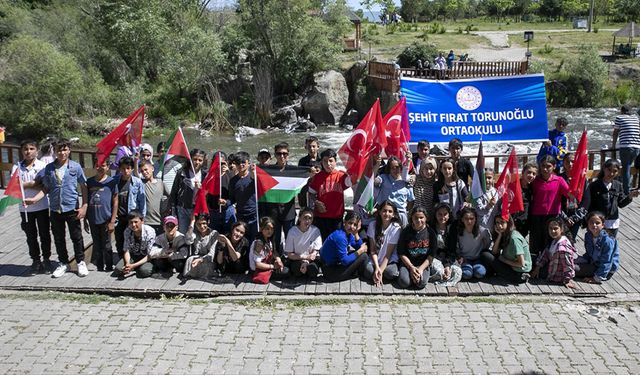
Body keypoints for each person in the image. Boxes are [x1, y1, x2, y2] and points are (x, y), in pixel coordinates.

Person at [29, 139, 89, 278]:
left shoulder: (75, 167)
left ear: (69, 150)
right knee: (58, 237)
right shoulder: (49, 168)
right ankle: (63, 262)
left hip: (72, 208)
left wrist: (84, 206)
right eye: (59, 150)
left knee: (76, 237)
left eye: (65, 149)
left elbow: (84, 187)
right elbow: (46, 188)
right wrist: (34, 199)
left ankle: (80, 262)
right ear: (55, 152)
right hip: (55, 208)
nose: (62, 152)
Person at [12, 139, 52, 274]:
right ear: (21, 151)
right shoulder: (17, 167)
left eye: (31, 149)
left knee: (45, 234)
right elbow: (14, 186)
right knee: (31, 235)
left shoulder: (43, 166)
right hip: (25, 208)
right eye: (25, 149)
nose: (28, 152)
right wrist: (33, 183)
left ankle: (47, 259)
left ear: (37, 150)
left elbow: (46, 185)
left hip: (41, 206)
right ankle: (35, 260)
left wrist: (26, 183)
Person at [580, 159, 639, 238]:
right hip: (597, 222)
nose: (611, 173)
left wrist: (630, 196)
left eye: (615, 171)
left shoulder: (618, 185)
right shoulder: (594, 185)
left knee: (610, 245)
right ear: (604, 168)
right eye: (609, 170)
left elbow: (621, 203)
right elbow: (588, 204)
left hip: (612, 222)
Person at [529, 155, 569, 259]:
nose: (545, 169)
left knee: (551, 242)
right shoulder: (535, 181)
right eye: (543, 166)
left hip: (553, 216)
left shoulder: (559, 180)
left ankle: (549, 266)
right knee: (536, 242)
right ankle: (534, 265)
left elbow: (569, 194)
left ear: (554, 166)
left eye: (548, 166)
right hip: (536, 216)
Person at [308, 148, 352, 240]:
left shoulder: (341, 176)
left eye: (331, 161)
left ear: (335, 162)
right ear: (321, 162)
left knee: (336, 242)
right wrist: (316, 202)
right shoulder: (317, 177)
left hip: (337, 218)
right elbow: (311, 193)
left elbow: (353, 181)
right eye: (325, 161)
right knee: (322, 243)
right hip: (320, 217)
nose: (328, 164)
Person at [397, 206, 444, 289]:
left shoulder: (431, 233)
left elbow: (431, 255)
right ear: (411, 218)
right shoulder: (406, 231)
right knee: (404, 282)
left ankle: (415, 277)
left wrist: (420, 269)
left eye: (421, 217)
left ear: (426, 218)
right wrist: (411, 267)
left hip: (423, 264)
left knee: (421, 283)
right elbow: (401, 253)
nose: (419, 220)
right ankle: (410, 276)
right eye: (416, 217)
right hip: (408, 263)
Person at [262, 142, 297, 253]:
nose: (282, 156)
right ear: (275, 155)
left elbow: (304, 182)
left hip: (289, 211)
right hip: (273, 211)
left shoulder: (294, 171)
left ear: (288, 155)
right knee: (274, 238)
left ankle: (290, 259)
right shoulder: (268, 170)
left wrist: (310, 174)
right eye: (279, 154)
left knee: (290, 238)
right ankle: (276, 258)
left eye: (284, 154)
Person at [86, 157, 118, 272]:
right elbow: (86, 200)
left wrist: (112, 221)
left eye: (103, 165)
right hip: (93, 218)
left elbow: (115, 201)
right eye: (98, 165)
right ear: (95, 166)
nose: (100, 168)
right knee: (96, 244)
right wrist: (85, 218)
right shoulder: (89, 182)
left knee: (107, 245)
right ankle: (99, 267)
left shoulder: (111, 182)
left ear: (108, 167)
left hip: (106, 218)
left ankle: (109, 267)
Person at [320, 211, 369, 282]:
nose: (352, 226)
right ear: (344, 222)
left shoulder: (348, 234)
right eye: (350, 223)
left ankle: (358, 273)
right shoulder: (340, 237)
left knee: (360, 253)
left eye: (355, 225)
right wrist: (361, 250)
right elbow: (345, 261)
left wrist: (356, 233)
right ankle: (362, 274)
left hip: (335, 265)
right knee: (363, 256)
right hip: (330, 272)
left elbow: (359, 246)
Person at [114, 156, 146, 260]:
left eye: (128, 168)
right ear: (119, 169)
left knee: (132, 238)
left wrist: (142, 217)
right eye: (123, 168)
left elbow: (142, 200)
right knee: (119, 237)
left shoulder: (137, 182)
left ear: (132, 169)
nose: (126, 171)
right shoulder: (115, 181)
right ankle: (120, 258)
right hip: (119, 215)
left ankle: (132, 257)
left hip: (131, 216)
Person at [531, 217, 577, 289]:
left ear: (561, 229)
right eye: (550, 228)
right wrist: (537, 267)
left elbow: (567, 265)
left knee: (529, 266)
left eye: (555, 228)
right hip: (551, 265)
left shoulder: (563, 247)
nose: (552, 231)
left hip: (555, 274)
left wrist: (567, 280)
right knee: (531, 258)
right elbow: (545, 254)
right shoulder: (554, 240)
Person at [363, 201, 402, 287]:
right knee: (368, 272)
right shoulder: (372, 225)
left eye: (390, 211)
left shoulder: (396, 228)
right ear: (379, 212)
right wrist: (377, 267)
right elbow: (373, 250)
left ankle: (379, 274)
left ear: (394, 214)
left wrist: (380, 270)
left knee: (390, 273)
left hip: (389, 260)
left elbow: (388, 254)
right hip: (375, 259)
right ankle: (378, 274)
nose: (386, 214)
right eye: (384, 211)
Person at [575, 211, 619, 284]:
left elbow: (607, 262)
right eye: (591, 222)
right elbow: (589, 254)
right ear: (588, 224)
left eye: (597, 223)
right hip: (593, 262)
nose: (594, 225)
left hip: (604, 270)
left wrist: (596, 278)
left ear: (603, 225)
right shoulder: (588, 235)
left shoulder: (607, 241)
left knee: (572, 269)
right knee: (570, 261)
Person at [171, 148, 207, 234]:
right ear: (190, 159)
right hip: (183, 208)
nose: (197, 162)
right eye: (195, 159)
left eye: (200, 160)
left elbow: (208, 193)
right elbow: (174, 191)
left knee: (196, 233)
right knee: (182, 233)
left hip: (198, 209)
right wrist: (173, 209)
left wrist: (201, 189)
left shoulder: (205, 174)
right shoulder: (182, 172)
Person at [113, 210, 156, 279]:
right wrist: (127, 264)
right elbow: (126, 250)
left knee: (144, 271)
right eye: (131, 222)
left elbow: (149, 255)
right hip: (133, 256)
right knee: (118, 270)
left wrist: (133, 266)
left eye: (136, 222)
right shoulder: (127, 231)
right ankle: (133, 268)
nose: (133, 225)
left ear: (142, 221)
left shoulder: (150, 231)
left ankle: (137, 268)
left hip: (146, 258)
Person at [491, 215, 532, 284]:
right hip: (511, 265)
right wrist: (499, 235)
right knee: (487, 253)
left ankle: (520, 277)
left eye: (502, 222)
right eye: (497, 223)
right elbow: (494, 252)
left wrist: (503, 260)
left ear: (508, 223)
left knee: (486, 255)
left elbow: (521, 264)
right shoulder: (505, 234)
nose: (499, 226)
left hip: (519, 271)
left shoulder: (514, 238)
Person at [375, 156, 415, 227]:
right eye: (392, 168)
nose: (395, 170)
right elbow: (374, 182)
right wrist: (377, 165)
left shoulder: (406, 181)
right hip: (385, 215)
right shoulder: (383, 178)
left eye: (397, 167)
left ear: (400, 167)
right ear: (389, 169)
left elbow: (411, 200)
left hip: (400, 215)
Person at [455, 207, 493, 280]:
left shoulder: (482, 231)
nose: (469, 221)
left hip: (478, 259)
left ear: (475, 219)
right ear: (462, 219)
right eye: (466, 218)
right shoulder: (459, 231)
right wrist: (459, 256)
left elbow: (489, 243)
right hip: (465, 259)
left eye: (472, 218)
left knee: (479, 273)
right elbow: (457, 246)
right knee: (466, 274)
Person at [228, 151, 258, 241]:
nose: (241, 165)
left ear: (248, 163)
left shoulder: (254, 177)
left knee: (254, 240)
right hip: (241, 216)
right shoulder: (233, 181)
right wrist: (225, 202)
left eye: (243, 162)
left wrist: (254, 174)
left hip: (254, 215)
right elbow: (232, 199)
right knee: (243, 240)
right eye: (238, 163)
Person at [249, 217, 289, 284]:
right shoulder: (259, 243)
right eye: (267, 229)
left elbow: (273, 252)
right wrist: (273, 267)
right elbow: (257, 264)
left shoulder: (268, 240)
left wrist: (278, 259)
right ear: (261, 229)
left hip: (267, 264)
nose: (270, 231)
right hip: (258, 270)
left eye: (272, 229)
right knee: (286, 271)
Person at [284, 207, 322, 278]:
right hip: (297, 259)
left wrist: (306, 262)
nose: (307, 221)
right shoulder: (292, 231)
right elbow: (289, 254)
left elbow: (315, 251)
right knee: (297, 270)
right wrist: (303, 259)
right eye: (305, 218)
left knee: (312, 271)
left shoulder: (315, 231)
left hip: (311, 260)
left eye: (310, 218)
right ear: (300, 218)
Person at [431, 203, 462, 286]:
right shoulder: (431, 227)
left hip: (449, 257)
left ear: (449, 215)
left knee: (457, 272)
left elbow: (452, 249)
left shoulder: (452, 227)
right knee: (440, 271)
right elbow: (431, 249)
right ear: (435, 214)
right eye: (439, 214)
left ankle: (446, 280)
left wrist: (447, 265)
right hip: (435, 257)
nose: (442, 217)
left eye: (445, 214)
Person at [612, 105, 640, 194]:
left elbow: (615, 132)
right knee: (637, 167)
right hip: (637, 147)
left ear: (622, 111)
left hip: (626, 147)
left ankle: (626, 192)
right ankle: (637, 188)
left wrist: (613, 145)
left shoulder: (619, 117)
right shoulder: (636, 118)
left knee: (626, 169)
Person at [558, 153, 587, 240]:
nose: (570, 164)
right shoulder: (559, 179)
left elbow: (586, 200)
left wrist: (575, 217)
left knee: (571, 240)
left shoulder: (581, 180)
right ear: (563, 163)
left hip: (576, 215)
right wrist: (565, 218)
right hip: (561, 215)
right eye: (567, 162)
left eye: (572, 161)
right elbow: (555, 200)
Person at [206, 152, 237, 234]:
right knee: (213, 235)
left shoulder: (231, 176)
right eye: (217, 163)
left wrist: (226, 202)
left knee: (229, 233)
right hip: (213, 211)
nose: (220, 165)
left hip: (227, 210)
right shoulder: (208, 176)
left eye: (222, 163)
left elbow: (236, 195)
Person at [183, 214, 219, 279]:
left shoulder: (214, 234)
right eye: (199, 224)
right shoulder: (194, 233)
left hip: (209, 259)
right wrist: (192, 223)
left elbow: (212, 254)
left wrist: (201, 260)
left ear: (208, 222)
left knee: (206, 265)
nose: (202, 226)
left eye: (204, 223)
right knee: (189, 260)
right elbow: (188, 241)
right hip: (197, 257)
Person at [140, 160, 166, 235]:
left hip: (159, 221)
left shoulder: (160, 183)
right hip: (146, 222)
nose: (144, 172)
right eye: (142, 171)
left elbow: (170, 196)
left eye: (146, 169)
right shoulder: (142, 183)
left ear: (152, 169)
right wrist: (135, 161)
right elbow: (136, 174)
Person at [513, 162, 537, 237]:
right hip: (514, 224)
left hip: (525, 224)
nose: (531, 175)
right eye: (529, 172)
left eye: (534, 174)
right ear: (523, 173)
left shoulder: (532, 188)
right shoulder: (514, 187)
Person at [298, 136, 321, 208]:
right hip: (306, 190)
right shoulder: (302, 161)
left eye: (313, 146)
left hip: (320, 189)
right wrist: (308, 171)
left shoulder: (323, 160)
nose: (311, 149)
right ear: (306, 147)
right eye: (309, 147)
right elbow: (299, 176)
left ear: (318, 147)